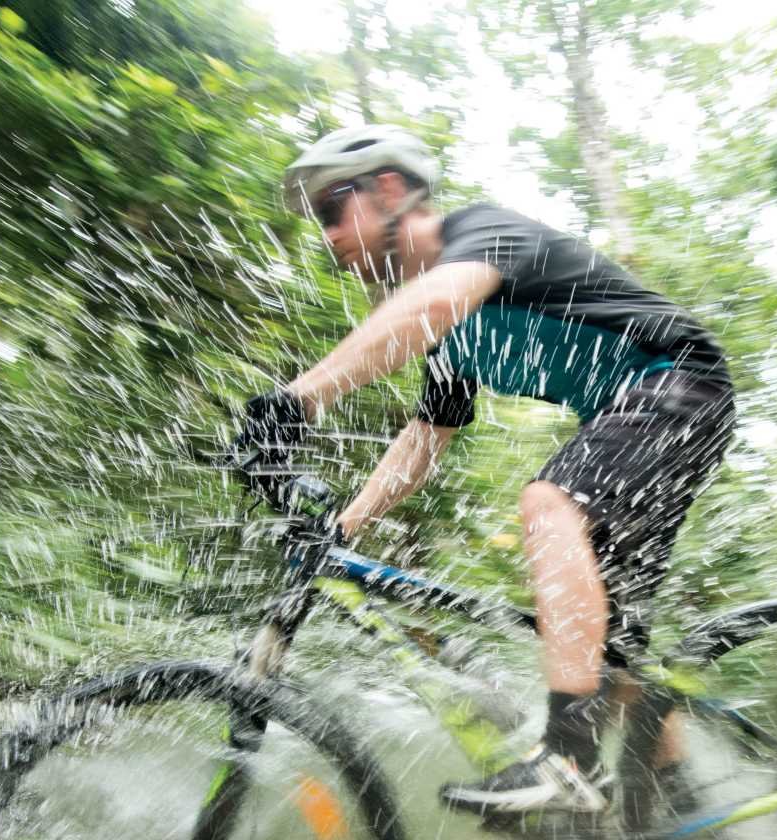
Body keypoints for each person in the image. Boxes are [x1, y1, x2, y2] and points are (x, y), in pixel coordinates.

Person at [241, 124, 735, 816]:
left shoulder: (483, 234)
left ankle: (568, 761)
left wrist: (298, 399)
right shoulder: (446, 329)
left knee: (550, 501)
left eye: (331, 209)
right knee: (608, 653)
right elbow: (425, 438)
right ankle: (688, 808)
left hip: (680, 383)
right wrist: (343, 527)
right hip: (646, 413)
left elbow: (431, 305)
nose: (326, 234)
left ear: (389, 189)